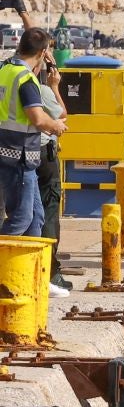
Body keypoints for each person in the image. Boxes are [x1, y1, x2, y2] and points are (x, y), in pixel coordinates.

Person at [0, 28, 67, 237]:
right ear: (42, 53)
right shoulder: (27, 80)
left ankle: (30, 269)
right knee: (21, 219)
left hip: (10, 153)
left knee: (36, 217)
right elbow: (38, 118)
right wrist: (55, 126)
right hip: (19, 157)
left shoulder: (5, 70)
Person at [36, 59, 70, 295]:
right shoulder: (41, 89)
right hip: (43, 154)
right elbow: (61, 114)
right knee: (48, 211)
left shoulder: (6, 76)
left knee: (26, 212)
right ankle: (51, 272)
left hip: (14, 154)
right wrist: (55, 86)